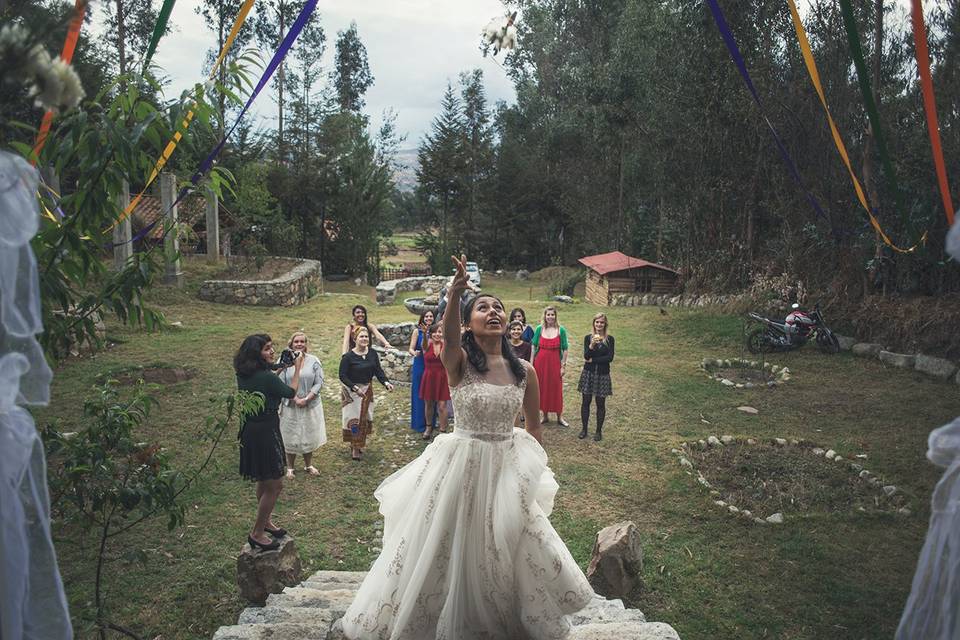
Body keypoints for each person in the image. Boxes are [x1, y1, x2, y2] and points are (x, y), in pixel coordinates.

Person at [341, 254, 594, 640]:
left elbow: (533, 428)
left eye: (498, 308)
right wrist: (458, 288)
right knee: (448, 544)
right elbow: (449, 335)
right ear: (468, 323)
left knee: (506, 544)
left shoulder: (523, 371)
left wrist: (530, 475)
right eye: (483, 307)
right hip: (460, 463)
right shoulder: (458, 361)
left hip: (507, 468)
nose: (493, 311)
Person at [234, 334, 303, 551]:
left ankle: (266, 522)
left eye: (272, 347)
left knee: (263, 479)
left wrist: (280, 367)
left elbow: (267, 381)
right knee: (275, 483)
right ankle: (256, 532)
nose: (272, 351)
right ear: (257, 354)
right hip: (266, 432)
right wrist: (297, 368)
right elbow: (290, 392)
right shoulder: (265, 377)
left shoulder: (245, 373)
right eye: (266, 349)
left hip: (250, 430)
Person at [339, 326, 394, 460]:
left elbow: (378, 371)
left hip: (367, 390)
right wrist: (354, 388)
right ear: (355, 339)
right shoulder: (348, 357)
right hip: (352, 393)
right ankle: (355, 447)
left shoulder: (372, 354)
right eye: (361, 337)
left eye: (366, 337)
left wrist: (386, 383)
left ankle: (357, 443)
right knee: (354, 420)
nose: (364, 339)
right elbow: (342, 375)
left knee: (364, 418)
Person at [278, 331, 327, 477]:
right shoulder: (284, 360)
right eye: (296, 342)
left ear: (306, 344)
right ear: (291, 344)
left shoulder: (314, 360)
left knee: (308, 434)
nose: (299, 344)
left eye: (302, 342)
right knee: (290, 434)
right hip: (290, 404)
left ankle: (308, 465)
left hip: (309, 403)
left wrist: (307, 398)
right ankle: (290, 468)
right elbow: (279, 382)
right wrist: (295, 398)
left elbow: (319, 382)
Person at [578, 313, 615, 441]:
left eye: (602, 322)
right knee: (585, 402)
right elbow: (586, 357)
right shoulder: (588, 338)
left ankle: (598, 431)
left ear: (605, 324)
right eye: (597, 322)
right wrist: (592, 346)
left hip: (603, 375)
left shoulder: (610, 339)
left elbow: (609, 358)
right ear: (594, 323)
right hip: (589, 374)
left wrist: (593, 359)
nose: (599, 324)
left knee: (600, 404)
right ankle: (584, 429)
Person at [531, 305, 569, 426]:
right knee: (542, 388)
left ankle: (559, 417)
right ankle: (545, 415)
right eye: (548, 314)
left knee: (556, 388)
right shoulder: (539, 329)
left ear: (555, 316)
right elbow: (533, 346)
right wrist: (531, 363)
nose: (550, 317)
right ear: (545, 316)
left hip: (555, 363)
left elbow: (565, 349)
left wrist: (563, 366)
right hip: (540, 363)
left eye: (552, 315)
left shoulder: (561, 330)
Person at [419, 324, 450, 439]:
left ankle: (443, 431)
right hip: (429, 377)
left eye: (440, 332)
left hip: (442, 377)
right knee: (429, 404)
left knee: (442, 405)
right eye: (435, 332)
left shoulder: (445, 346)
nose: (437, 334)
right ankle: (428, 427)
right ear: (431, 334)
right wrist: (425, 334)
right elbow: (424, 344)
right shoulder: (427, 345)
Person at [407, 310, 436, 434]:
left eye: (431, 316)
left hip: (433, 365)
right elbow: (410, 349)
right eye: (426, 316)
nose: (429, 318)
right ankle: (419, 423)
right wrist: (415, 353)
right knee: (419, 393)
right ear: (422, 318)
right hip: (420, 363)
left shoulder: (436, 332)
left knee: (431, 394)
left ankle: (431, 422)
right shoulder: (416, 331)